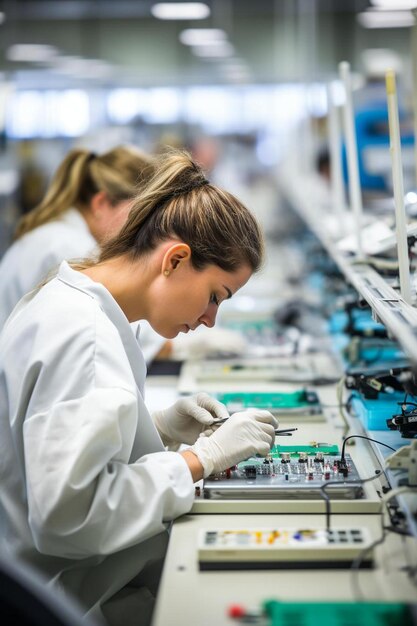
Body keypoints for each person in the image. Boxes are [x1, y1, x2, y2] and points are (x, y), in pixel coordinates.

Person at [0, 150, 278, 626]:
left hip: (85, 576)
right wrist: (200, 461)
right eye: (215, 295)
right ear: (175, 258)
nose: (211, 318)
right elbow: (72, 516)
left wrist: (158, 428)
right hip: (69, 595)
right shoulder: (84, 334)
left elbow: (52, 445)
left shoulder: (83, 304)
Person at [0, 145, 154, 327]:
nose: (144, 228)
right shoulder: (71, 249)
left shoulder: (57, 234)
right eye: (138, 215)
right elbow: (129, 335)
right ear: (101, 204)